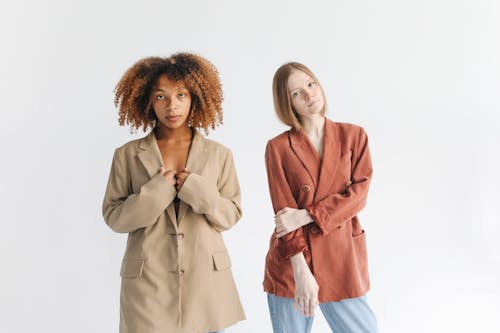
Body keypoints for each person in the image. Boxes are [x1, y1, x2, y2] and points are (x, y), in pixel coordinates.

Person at [102, 53, 245, 333]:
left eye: (181, 95)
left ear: (195, 98)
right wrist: (155, 194)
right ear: (147, 100)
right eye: (161, 97)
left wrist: (198, 191)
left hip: (206, 284)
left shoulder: (219, 154)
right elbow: (114, 217)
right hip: (148, 287)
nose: (172, 106)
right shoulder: (127, 155)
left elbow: (231, 215)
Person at [263, 62, 379, 333]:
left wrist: (307, 214)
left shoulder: (354, 136)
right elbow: (284, 217)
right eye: (296, 93)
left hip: (342, 257)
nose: (308, 95)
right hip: (293, 261)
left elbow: (358, 195)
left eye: (310, 84)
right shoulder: (278, 148)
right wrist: (302, 272)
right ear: (287, 103)